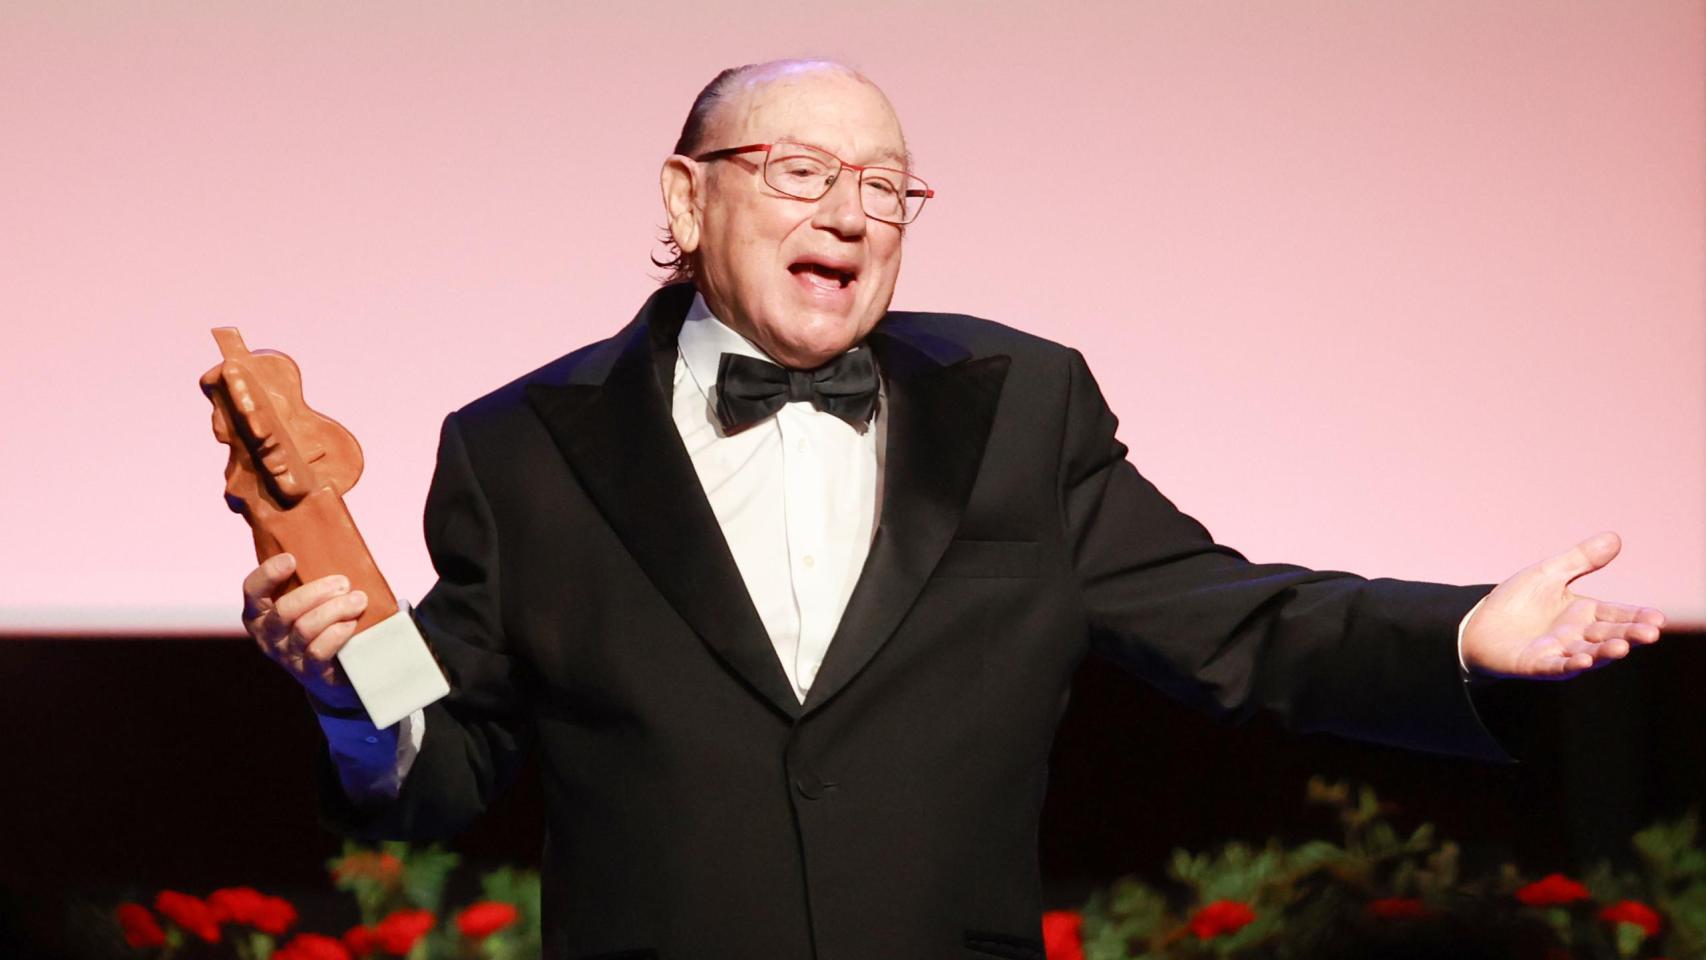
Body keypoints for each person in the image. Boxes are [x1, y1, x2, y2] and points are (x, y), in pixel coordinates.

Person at [238, 59, 1667, 960]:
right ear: (684, 200)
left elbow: (1222, 613)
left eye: (886, 186)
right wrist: (345, 683)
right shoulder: (518, 446)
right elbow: (448, 756)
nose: (851, 214)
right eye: (801, 172)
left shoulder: (1017, 405)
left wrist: (1459, 633)